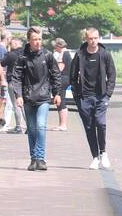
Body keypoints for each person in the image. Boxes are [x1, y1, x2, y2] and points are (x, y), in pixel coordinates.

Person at [10, 27, 61, 171]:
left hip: (43, 97)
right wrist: (18, 95)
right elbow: (16, 78)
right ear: (29, 41)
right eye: (35, 40)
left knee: (40, 126)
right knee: (31, 129)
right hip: (27, 97)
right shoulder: (22, 57)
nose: (38, 42)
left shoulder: (48, 55)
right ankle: (33, 159)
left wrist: (56, 93)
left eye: (39, 39)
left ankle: (40, 158)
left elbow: (56, 75)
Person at [69, 27, 116, 169]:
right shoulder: (79, 55)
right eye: (90, 38)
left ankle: (103, 152)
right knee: (89, 127)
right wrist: (77, 96)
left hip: (101, 96)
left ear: (99, 38)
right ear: (86, 39)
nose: (93, 41)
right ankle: (95, 157)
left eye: (95, 38)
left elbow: (112, 75)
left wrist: (107, 94)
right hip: (84, 97)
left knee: (100, 124)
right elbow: (72, 77)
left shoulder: (105, 54)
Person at [2, 38, 27, 133]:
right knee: (24, 104)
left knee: (16, 104)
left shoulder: (11, 55)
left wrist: (8, 51)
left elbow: (3, 63)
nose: (10, 44)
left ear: (16, 43)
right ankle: (29, 125)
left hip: (13, 81)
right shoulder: (26, 54)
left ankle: (18, 126)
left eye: (11, 43)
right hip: (24, 82)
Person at [52, 38, 72, 131]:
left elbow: (59, 69)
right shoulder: (67, 53)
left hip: (62, 80)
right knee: (61, 101)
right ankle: (61, 124)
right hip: (66, 79)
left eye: (55, 46)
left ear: (59, 46)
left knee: (61, 101)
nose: (55, 48)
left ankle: (63, 124)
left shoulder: (63, 54)